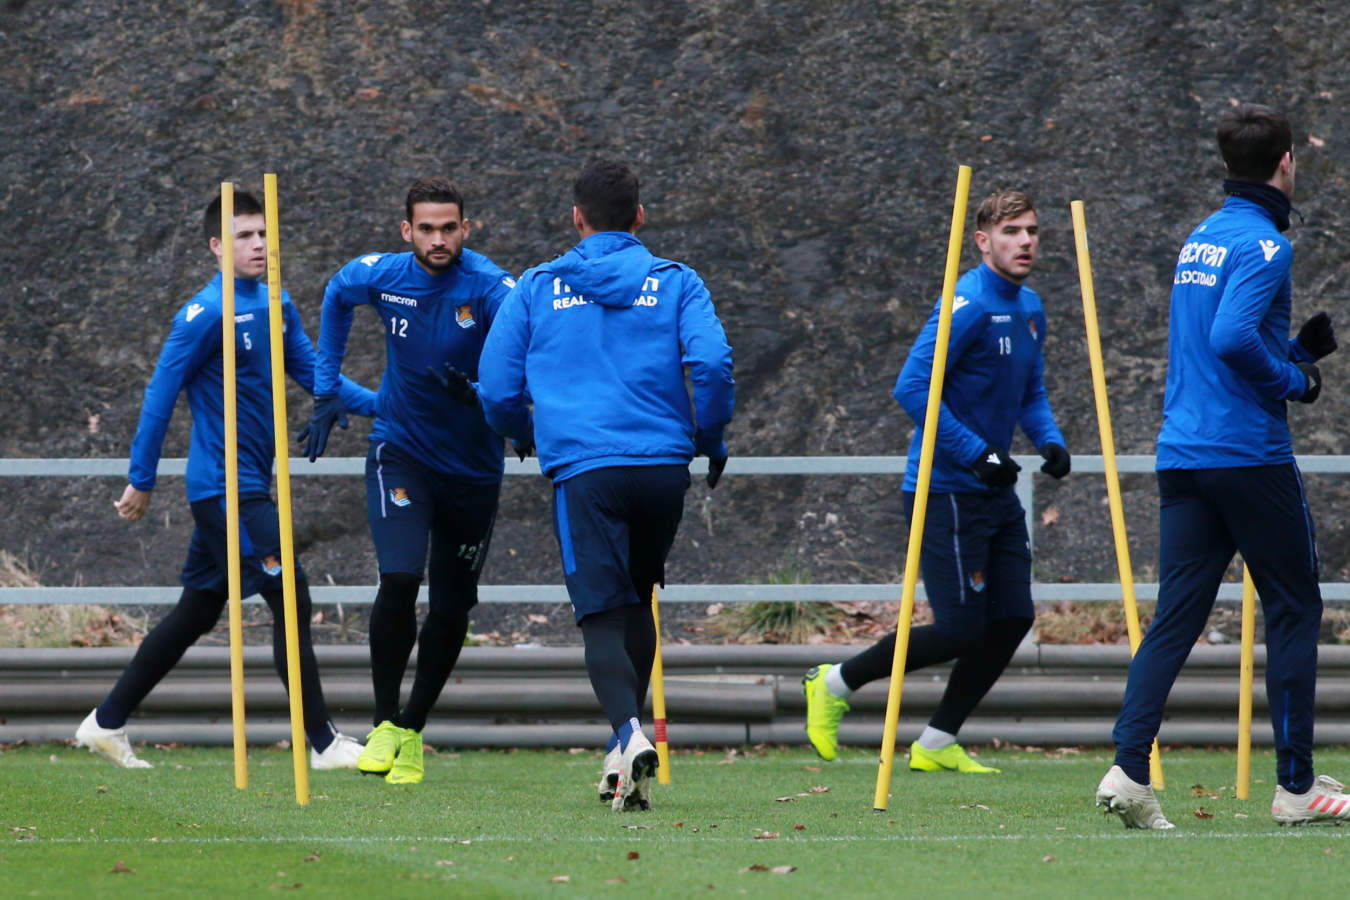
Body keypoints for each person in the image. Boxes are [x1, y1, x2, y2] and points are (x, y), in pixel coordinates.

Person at [1096, 104, 1348, 829]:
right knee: (1297, 607)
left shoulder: (1200, 237)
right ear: (1286, 163)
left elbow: (1217, 348)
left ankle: (1129, 768)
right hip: (1248, 455)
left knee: (1175, 616)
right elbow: (1233, 337)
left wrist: (1295, 350)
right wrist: (1295, 381)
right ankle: (1297, 788)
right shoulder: (1268, 245)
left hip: (1184, 454)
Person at [76, 189, 376, 770]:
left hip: (250, 485)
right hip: (224, 488)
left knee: (198, 610)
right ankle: (324, 743)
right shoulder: (203, 314)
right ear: (217, 245)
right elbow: (159, 397)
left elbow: (320, 378)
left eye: (264, 234)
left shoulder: (277, 303)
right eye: (244, 236)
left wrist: (393, 406)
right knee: (291, 594)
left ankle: (104, 722)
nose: (259, 244)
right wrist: (140, 478)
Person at [474, 159, 735, 811]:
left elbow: (498, 387)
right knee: (638, 596)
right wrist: (710, 437)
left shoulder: (536, 286)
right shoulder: (677, 281)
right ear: (640, 217)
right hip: (662, 468)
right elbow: (712, 362)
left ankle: (626, 733)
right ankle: (624, 759)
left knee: (598, 612)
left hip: (587, 467)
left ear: (577, 218)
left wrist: (521, 433)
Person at [802, 191, 1069, 773]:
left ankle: (937, 741)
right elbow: (912, 388)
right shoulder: (966, 302)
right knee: (957, 629)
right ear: (982, 241)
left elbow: (1031, 392)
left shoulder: (1030, 309)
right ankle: (836, 683)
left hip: (993, 490)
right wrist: (976, 453)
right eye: (1011, 232)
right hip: (946, 489)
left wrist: (1048, 439)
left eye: (1032, 231)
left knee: (1014, 618)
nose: (1025, 241)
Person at [302, 177, 518, 786]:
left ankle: (412, 730)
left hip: (474, 468)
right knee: (399, 576)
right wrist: (326, 388)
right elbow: (336, 296)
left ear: (465, 229)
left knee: (451, 606)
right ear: (407, 231)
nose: (438, 239)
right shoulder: (381, 275)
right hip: (400, 450)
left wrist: (501, 407)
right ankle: (381, 722)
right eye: (426, 228)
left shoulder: (494, 288)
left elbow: (531, 353)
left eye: (449, 227)